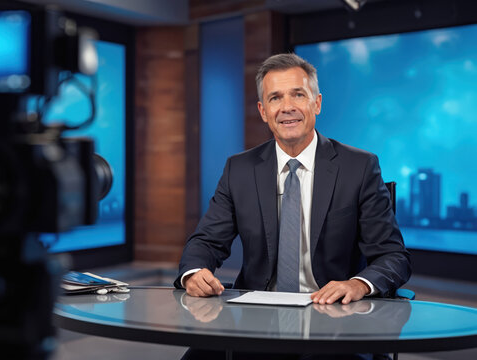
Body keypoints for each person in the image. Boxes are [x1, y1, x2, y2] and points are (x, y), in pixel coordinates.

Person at [174, 52, 410, 360]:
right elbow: (205, 241)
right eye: (275, 98)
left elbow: (394, 256)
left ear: (317, 103)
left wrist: (358, 283)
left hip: (334, 321)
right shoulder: (239, 169)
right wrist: (193, 272)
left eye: (298, 94)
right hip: (256, 323)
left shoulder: (359, 167)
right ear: (263, 110)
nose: (287, 107)